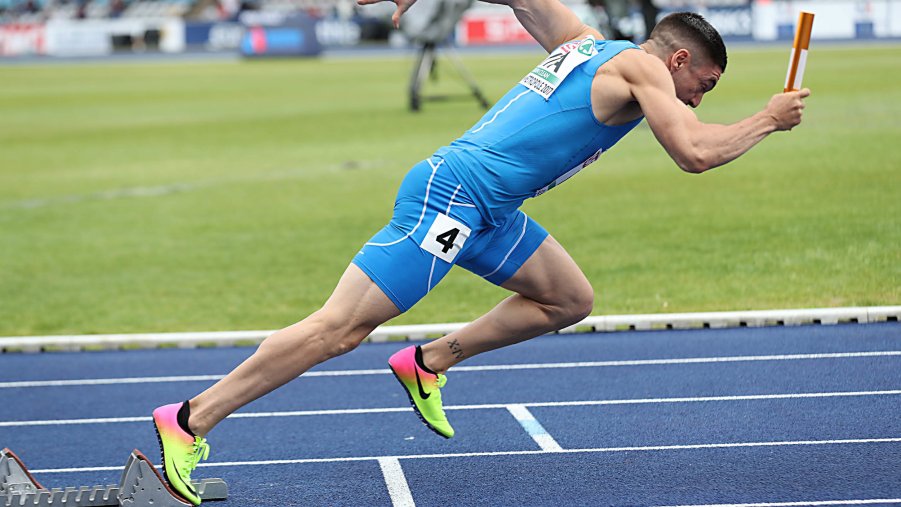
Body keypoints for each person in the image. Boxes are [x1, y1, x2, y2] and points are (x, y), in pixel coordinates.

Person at [151, 0, 809, 504]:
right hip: (453, 199)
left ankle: (429, 359)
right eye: (705, 83)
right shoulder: (639, 68)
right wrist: (768, 120)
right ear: (676, 61)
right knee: (339, 328)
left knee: (566, 298)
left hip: (490, 210)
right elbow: (693, 153)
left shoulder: (585, 42)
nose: (698, 98)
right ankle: (189, 418)